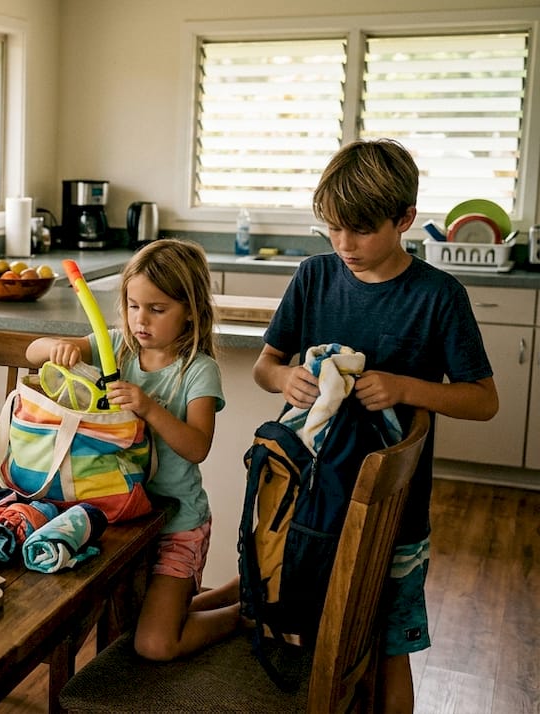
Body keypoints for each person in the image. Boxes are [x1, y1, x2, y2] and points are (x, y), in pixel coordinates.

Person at [250, 138, 497, 712]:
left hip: (395, 514)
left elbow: (483, 401)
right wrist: (284, 379)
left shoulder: (439, 297)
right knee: (313, 626)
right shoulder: (314, 277)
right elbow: (265, 366)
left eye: (360, 230)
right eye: (332, 229)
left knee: (388, 647)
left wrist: (407, 388)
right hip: (306, 509)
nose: (344, 245)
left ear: (405, 218)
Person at [25, 238, 240, 661]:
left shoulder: (198, 371)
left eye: (157, 309)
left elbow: (197, 446)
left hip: (178, 523)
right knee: (133, 624)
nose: (141, 320)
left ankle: (244, 616)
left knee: (153, 643)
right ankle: (240, 590)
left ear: (191, 311)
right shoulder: (117, 346)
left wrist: (148, 407)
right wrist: (57, 349)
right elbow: (32, 352)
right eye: (133, 305)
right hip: (123, 521)